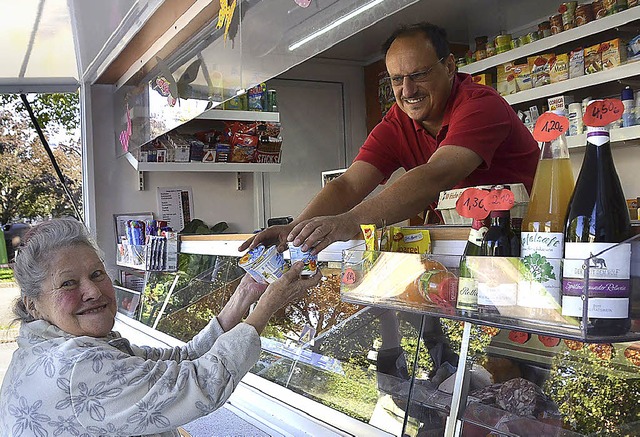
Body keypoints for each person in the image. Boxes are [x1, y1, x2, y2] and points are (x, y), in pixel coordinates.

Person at [240, 21, 538, 255]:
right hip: (462, 246)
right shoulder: (398, 120)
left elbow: (436, 175)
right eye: (397, 79)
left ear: (449, 67)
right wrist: (294, 228)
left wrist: (350, 221)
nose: (407, 91)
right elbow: (348, 184)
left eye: (418, 75)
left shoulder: (480, 105)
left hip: (527, 245)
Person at [0, 218, 320, 437]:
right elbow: (201, 385)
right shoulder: (73, 366)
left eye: (97, 274)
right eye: (68, 283)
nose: (94, 291)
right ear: (32, 303)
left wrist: (245, 295)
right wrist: (268, 306)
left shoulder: (52, 344)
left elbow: (178, 361)